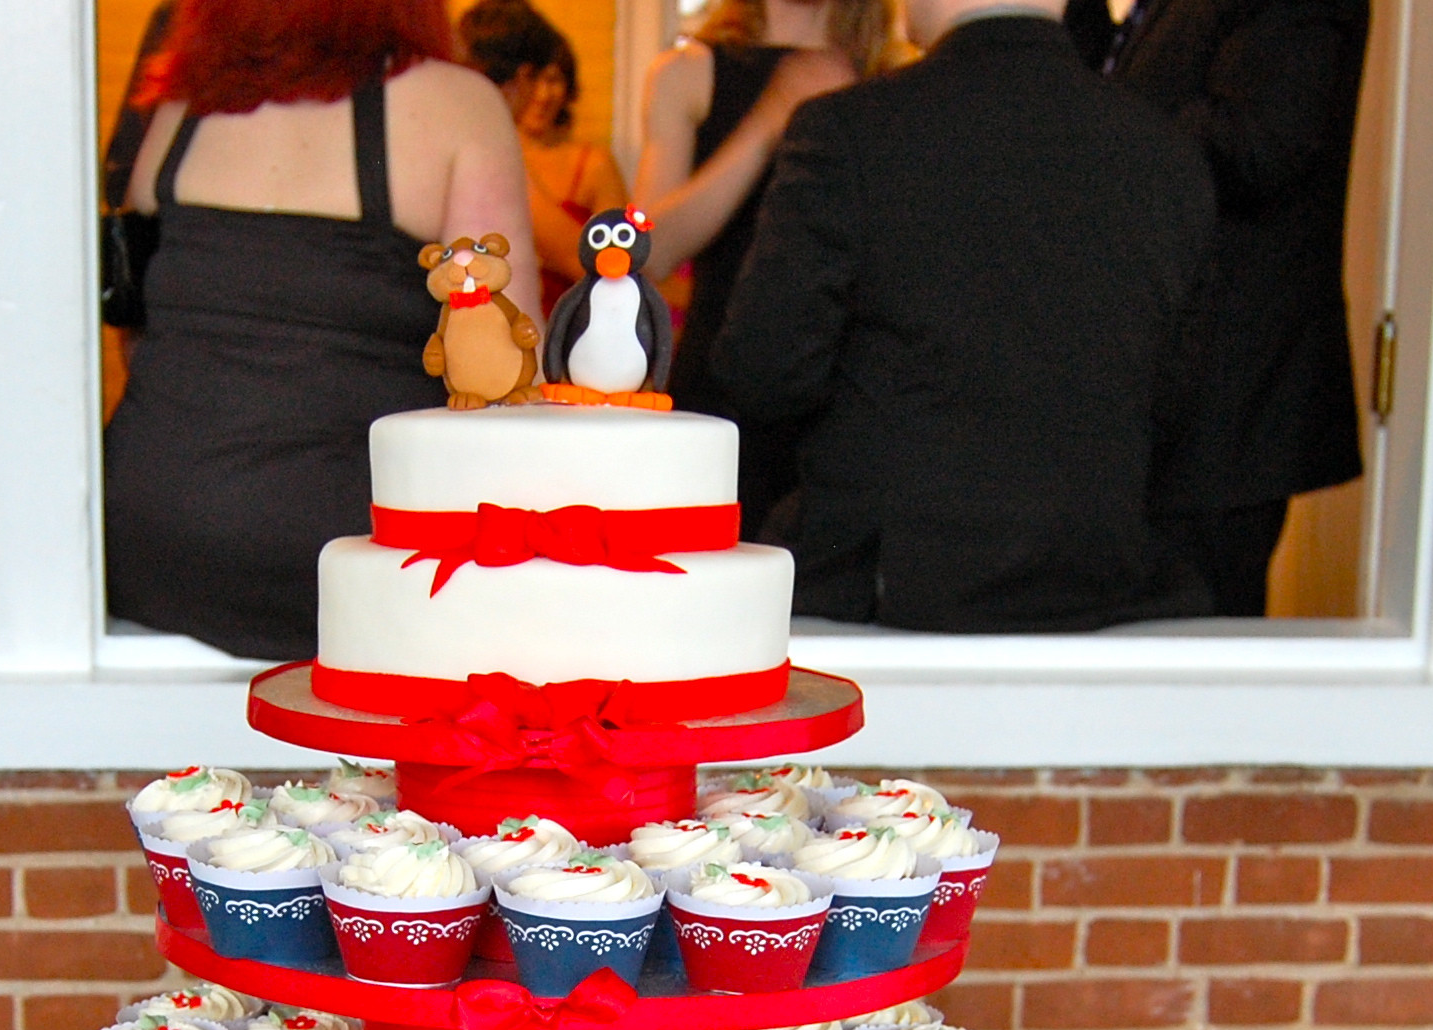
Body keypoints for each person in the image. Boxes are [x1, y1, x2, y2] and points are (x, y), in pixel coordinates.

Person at [712, 0, 1216, 631]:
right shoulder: (1169, 155)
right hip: (1100, 587)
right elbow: (1178, 403)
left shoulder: (848, 131)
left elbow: (763, 369)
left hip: (887, 593)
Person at [105, 0, 535, 662]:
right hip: (342, 556)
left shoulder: (179, 111)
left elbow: (136, 329)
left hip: (148, 536)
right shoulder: (455, 107)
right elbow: (503, 373)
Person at [1062, 0, 1369, 616]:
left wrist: (1098, 120)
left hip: (1223, 410)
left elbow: (1260, 147)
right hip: (1158, 402)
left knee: (1193, 650)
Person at [634, 0, 897, 529]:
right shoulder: (690, 70)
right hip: (723, 384)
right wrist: (771, 121)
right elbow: (646, 250)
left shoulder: (892, 78)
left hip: (853, 394)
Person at [459, 0, 628, 318]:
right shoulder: (491, 151)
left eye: (554, 80)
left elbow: (617, 271)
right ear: (524, 76)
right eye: (539, 78)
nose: (542, 94)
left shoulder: (591, 163)